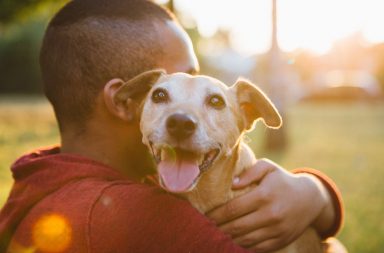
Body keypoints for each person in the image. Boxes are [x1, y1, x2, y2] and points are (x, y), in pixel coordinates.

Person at [0, 0, 344, 252]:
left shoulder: (37, 181)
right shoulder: (153, 219)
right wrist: (318, 198)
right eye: (166, 93)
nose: (184, 115)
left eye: (209, 99)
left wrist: (315, 193)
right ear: (126, 101)